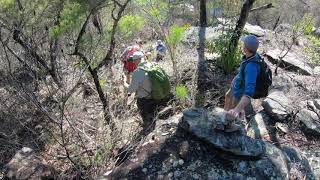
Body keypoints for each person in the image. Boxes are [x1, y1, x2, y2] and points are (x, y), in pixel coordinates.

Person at [126, 51, 170, 132]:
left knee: (148, 121)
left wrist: (125, 84)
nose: (133, 63)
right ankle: (154, 130)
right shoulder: (155, 65)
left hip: (145, 101)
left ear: (136, 61)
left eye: (133, 61)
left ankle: (149, 133)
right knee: (155, 116)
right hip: (158, 95)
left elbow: (131, 89)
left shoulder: (138, 72)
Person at [225, 35, 262, 126]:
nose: (242, 45)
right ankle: (224, 115)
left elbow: (249, 93)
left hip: (239, 93)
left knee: (231, 114)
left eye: (243, 44)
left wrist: (236, 110)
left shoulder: (251, 67)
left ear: (246, 47)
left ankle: (230, 126)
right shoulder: (251, 55)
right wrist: (237, 77)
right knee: (227, 96)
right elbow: (243, 69)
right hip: (236, 85)